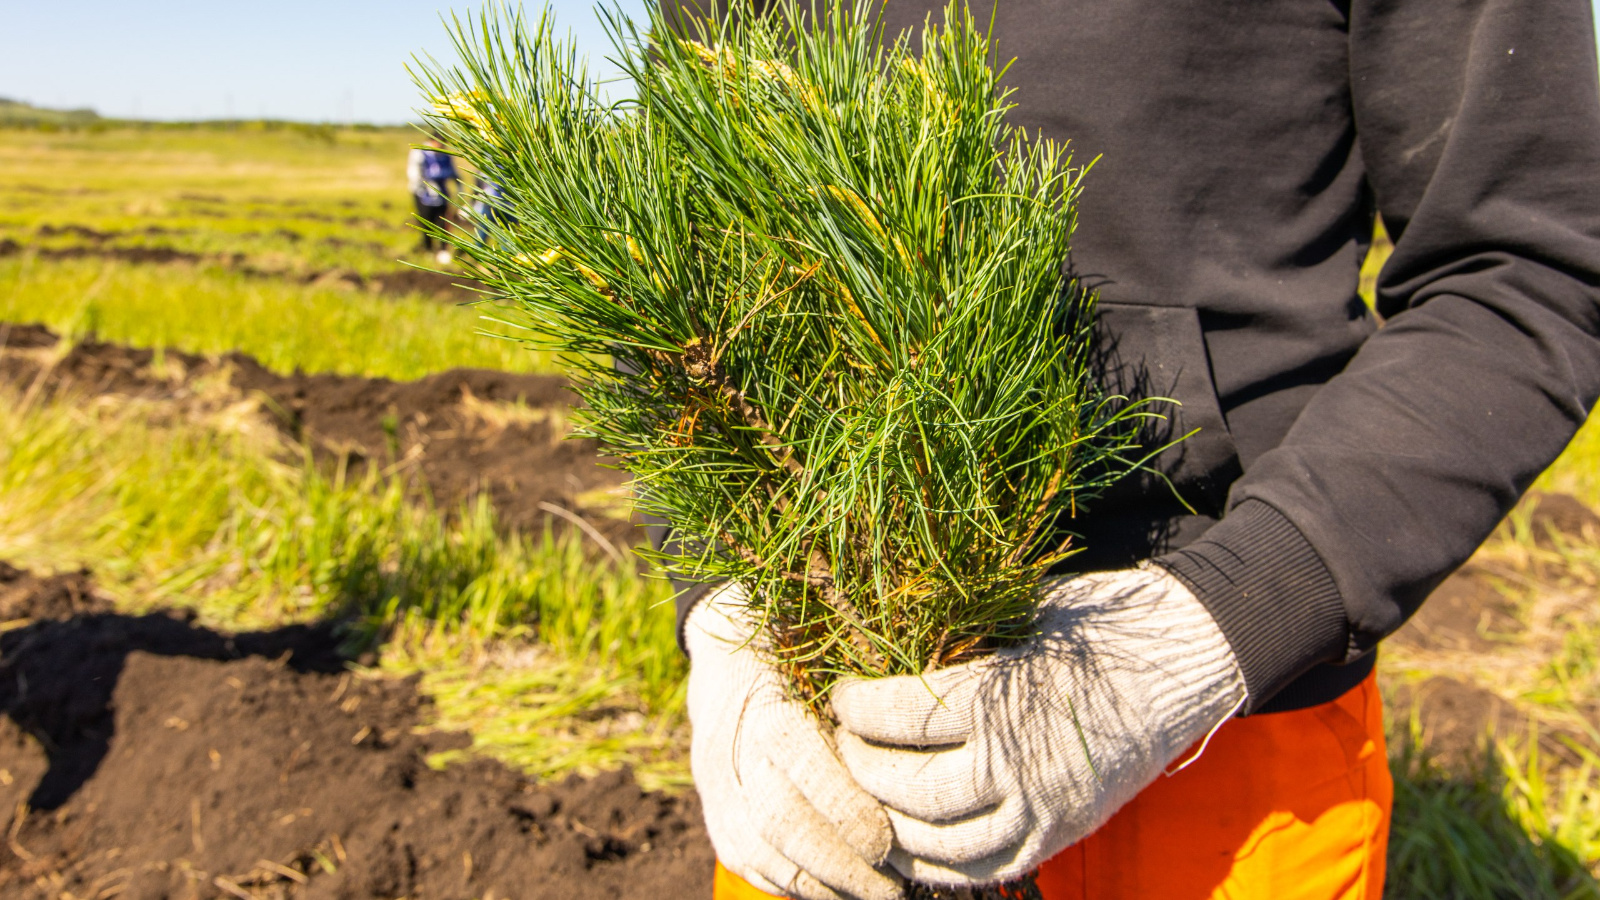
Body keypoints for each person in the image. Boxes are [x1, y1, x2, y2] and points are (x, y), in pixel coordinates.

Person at [670, 1, 1600, 899]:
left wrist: (1217, 624)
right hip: (822, 712)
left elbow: (1522, 267)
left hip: (1216, 728)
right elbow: (676, 258)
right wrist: (721, 607)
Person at [407, 135, 459, 265]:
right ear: (432, 141)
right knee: (426, 222)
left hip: (442, 194)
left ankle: (443, 250)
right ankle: (428, 249)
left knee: (443, 222)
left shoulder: (445, 156)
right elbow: (414, 174)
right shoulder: (420, 153)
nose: (440, 146)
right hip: (423, 194)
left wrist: (458, 187)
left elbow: (453, 173)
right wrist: (421, 188)